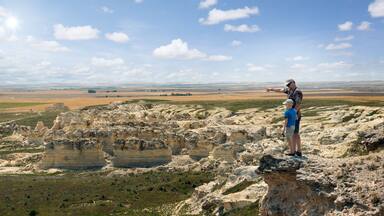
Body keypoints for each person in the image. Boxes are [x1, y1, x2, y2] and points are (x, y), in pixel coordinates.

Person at [267, 79, 303, 157]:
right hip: (292, 114)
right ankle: (295, 151)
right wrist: (271, 89)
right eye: (287, 85)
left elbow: (298, 104)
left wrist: (293, 113)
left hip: (295, 115)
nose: (288, 86)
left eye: (289, 84)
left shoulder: (298, 92)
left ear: (293, 83)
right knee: (294, 133)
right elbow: (281, 90)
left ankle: (297, 151)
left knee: (295, 133)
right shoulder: (289, 90)